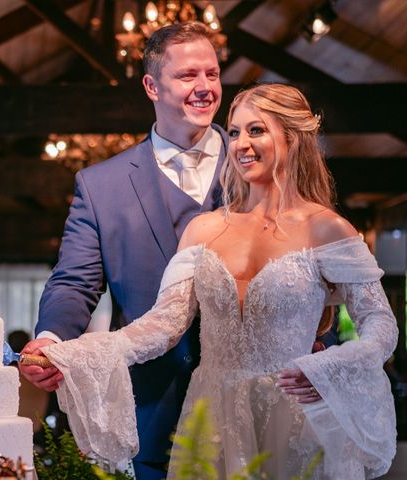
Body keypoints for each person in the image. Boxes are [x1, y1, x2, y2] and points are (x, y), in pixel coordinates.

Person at [40, 83, 398, 479]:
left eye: (256, 130)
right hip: (212, 420)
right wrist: (76, 355)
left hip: (294, 419)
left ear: (292, 139)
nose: (241, 143)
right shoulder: (203, 229)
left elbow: (381, 325)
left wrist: (331, 370)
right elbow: (164, 325)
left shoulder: (327, 229)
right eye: (234, 132)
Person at [20, 22, 229, 479]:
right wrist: (51, 340)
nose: (204, 88)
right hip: (150, 404)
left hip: (248, 398)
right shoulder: (101, 186)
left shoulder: (256, 164)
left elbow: (302, 256)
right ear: (152, 86)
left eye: (212, 74)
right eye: (188, 76)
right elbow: (75, 281)